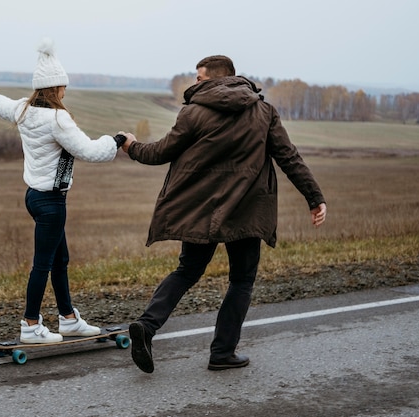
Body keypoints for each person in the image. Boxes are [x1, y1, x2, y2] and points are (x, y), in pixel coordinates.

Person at [119, 55, 327, 373]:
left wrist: (132, 146)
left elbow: (161, 152)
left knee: (187, 271)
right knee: (241, 281)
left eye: (199, 77)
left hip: (204, 209)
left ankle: (146, 328)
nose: (195, 82)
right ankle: (222, 353)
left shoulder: (193, 112)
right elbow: (289, 156)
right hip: (246, 211)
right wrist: (314, 197)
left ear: (217, 78)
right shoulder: (264, 111)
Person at [0, 38, 128, 343]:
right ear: (56, 89)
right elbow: (90, 151)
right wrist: (116, 139)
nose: (65, 92)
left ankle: (68, 319)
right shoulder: (57, 119)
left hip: (34, 198)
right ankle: (30, 325)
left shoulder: (23, 109)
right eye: (63, 86)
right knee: (43, 264)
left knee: (59, 260)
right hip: (51, 203)